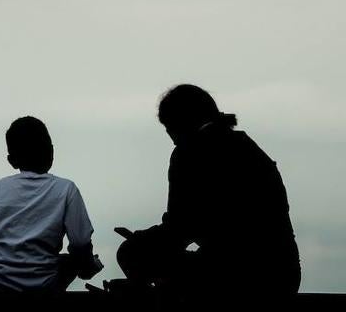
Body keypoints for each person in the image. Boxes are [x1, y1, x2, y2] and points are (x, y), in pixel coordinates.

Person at [115, 85, 299, 295]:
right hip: (283, 274)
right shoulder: (249, 148)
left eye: (168, 129)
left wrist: (142, 240)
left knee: (131, 253)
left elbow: (181, 228)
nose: (171, 138)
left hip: (229, 274)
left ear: (179, 123)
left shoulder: (188, 154)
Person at [0, 116, 103, 293]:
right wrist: (87, 265)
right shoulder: (66, 189)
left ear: (11, 160)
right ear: (51, 151)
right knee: (71, 260)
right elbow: (81, 242)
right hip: (43, 284)